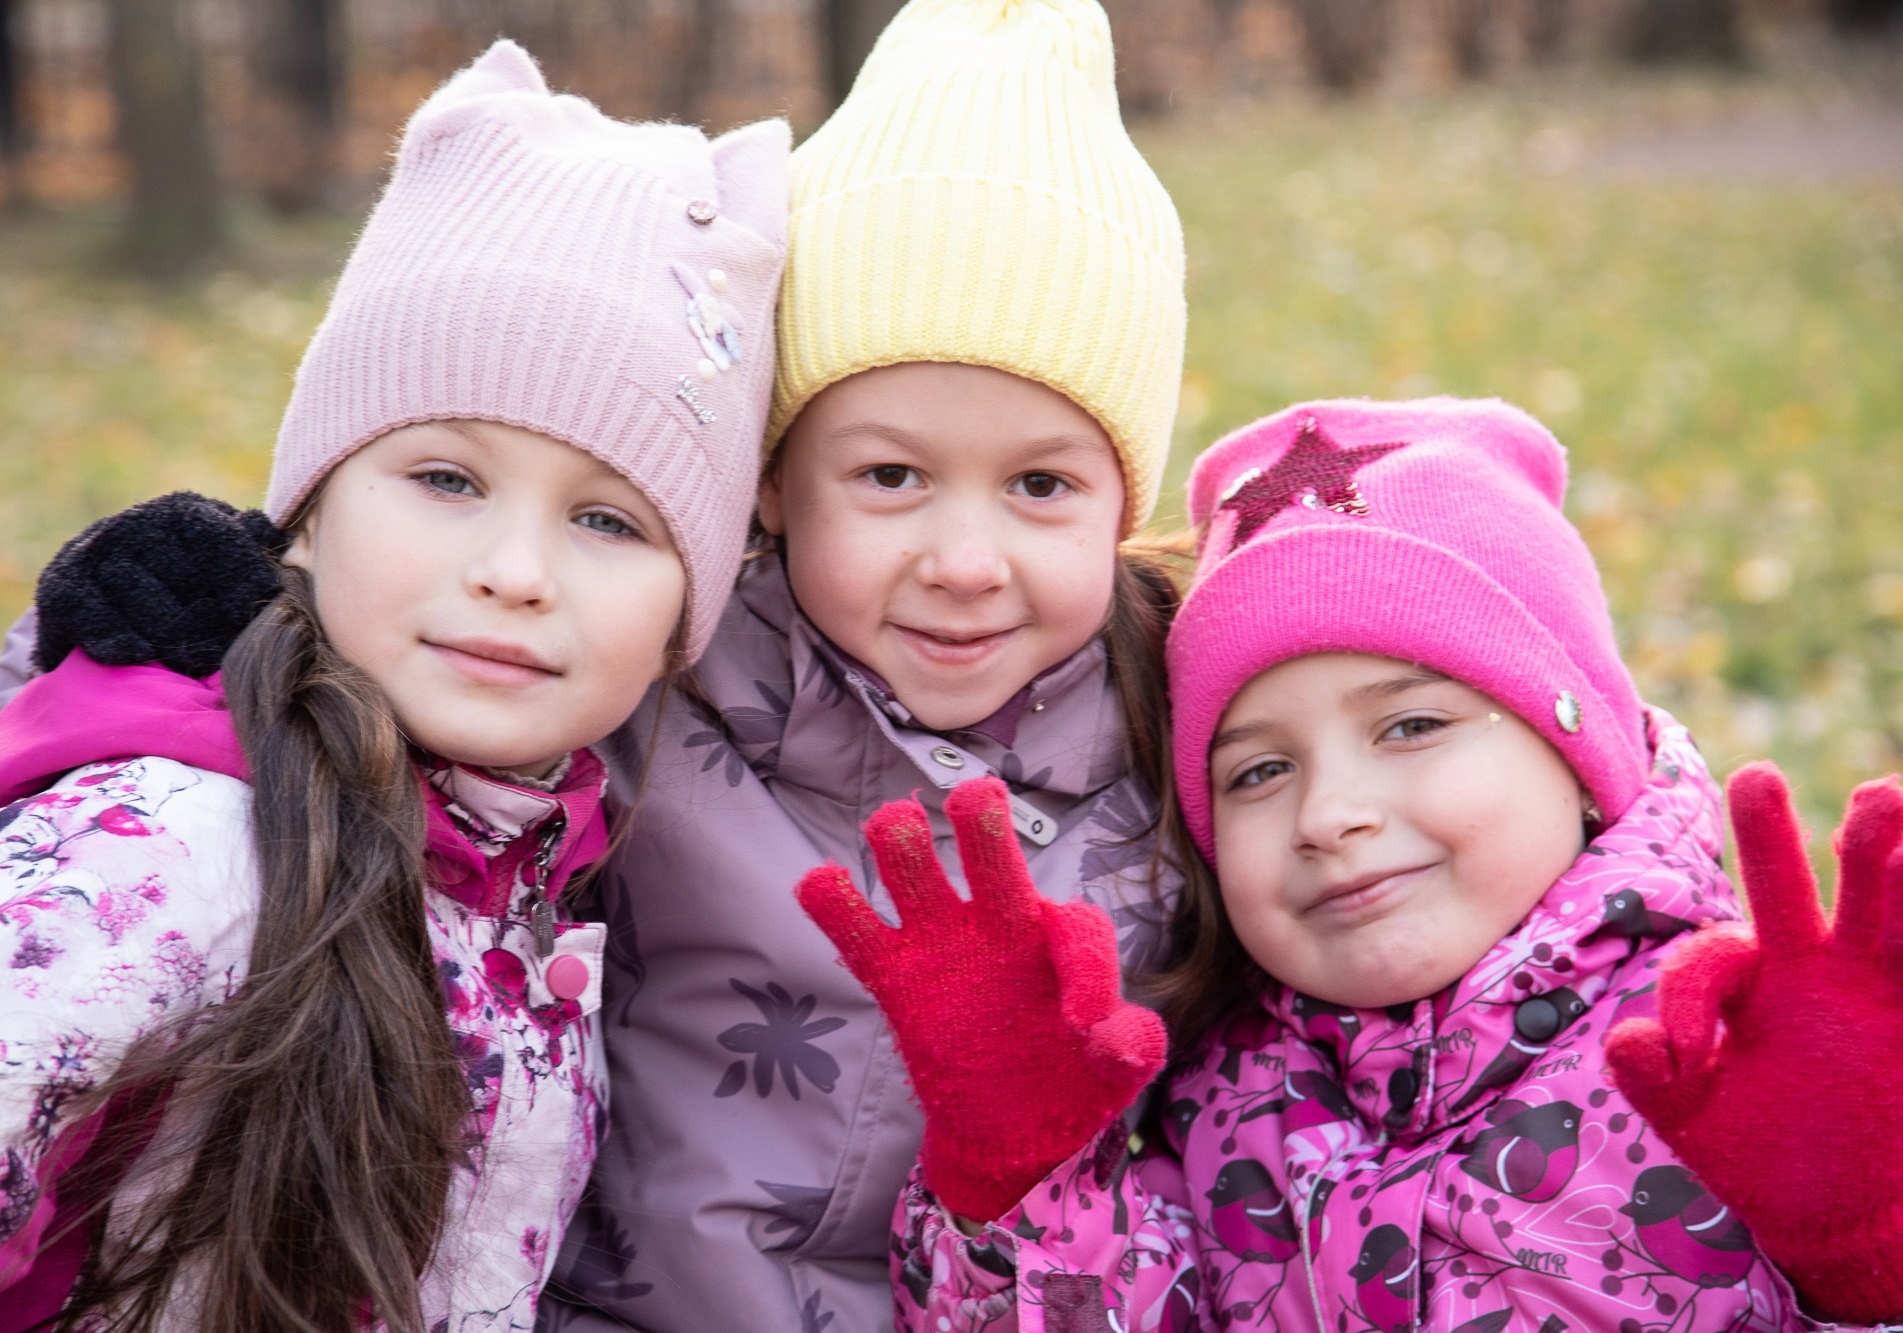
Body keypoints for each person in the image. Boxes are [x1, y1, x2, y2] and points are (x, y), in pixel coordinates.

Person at [0, 4, 1191, 1327]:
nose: (967, 557)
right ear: (771, 493)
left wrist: (1019, 1181)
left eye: (1042, 484)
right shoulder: (638, 705)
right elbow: (378, 658)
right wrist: (185, 652)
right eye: (890, 474)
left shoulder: (1193, 771)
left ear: (1122, 502)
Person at [0, 41, 786, 1333]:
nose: (516, 572)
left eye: (610, 521)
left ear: (685, 621)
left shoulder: (539, 891)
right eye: (445, 480)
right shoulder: (173, 848)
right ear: (308, 514)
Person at [799, 397, 1903, 1331]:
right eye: (1257, 771)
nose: (1327, 813)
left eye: (1411, 727)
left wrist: (1863, 1257)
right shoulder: (1223, 1098)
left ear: (1579, 753)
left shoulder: (1730, 1051)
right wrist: (1019, 1181)